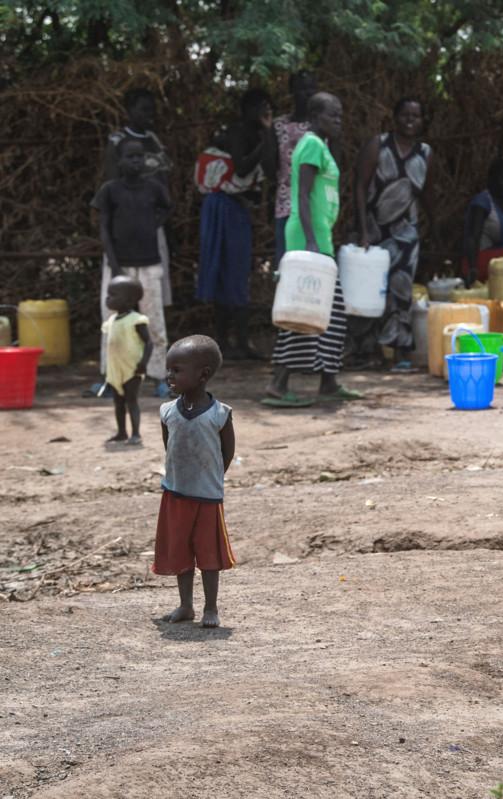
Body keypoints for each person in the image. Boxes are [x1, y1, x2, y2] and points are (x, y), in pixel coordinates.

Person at [264, 92, 363, 407]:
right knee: (303, 309)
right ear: (315, 117)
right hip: (309, 238)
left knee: (329, 313)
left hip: (319, 236)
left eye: (340, 116)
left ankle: (329, 381)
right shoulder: (310, 144)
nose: (338, 121)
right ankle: (278, 384)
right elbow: (302, 195)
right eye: (332, 115)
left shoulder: (322, 146)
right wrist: (310, 241)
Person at [156, 336, 236, 629]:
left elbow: (227, 453)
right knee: (180, 551)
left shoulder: (220, 414)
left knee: (209, 554)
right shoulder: (167, 412)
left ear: (202, 374)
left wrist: (211, 479)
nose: (169, 376)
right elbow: (170, 448)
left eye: (177, 370)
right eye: (169, 369)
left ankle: (211, 608)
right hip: (176, 493)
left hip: (207, 496)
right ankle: (185, 605)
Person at [97, 88, 173, 398]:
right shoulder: (110, 189)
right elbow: (103, 226)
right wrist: (114, 264)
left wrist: (152, 224)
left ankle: (158, 376)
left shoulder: (153, 184)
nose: (136, 161)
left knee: (153, 320)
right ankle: (111, 376)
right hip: (119, 263)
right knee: (112, 321)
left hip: (149, 261)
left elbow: (167, 206)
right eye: (131, 157)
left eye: (140, 157)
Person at [350, 97, 435, 371]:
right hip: (375, 230)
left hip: (406, 233)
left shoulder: (425, 153)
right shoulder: (379, 145)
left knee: (401, 291)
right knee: (370, 290)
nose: (410, 120)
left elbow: (426, 193)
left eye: (416, 115)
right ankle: (369, 350)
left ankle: (399, 351)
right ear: (395, 117)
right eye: (405, 115)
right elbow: (360, 187)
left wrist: (428, 224)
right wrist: (363, 230)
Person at [196, 88, 273, 360]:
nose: (265, 112)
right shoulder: (241, 133)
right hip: (226, 210)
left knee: (234, 273)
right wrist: (266, 138)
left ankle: (234, 341)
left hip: (233, 210)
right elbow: (241, 168)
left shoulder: (249, 133)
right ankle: (233, 342)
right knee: (230, 272)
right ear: (247, 110)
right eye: (259, 106)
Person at [264, 71, 317, 268]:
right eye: (302, 89)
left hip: (316, 205)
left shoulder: (321, 125)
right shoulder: (279, 125)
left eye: (312, 88)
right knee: (287, 262)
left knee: (313, 264)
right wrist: (267, 132)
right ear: (291, 91)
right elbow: (270, 169)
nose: (308, 93)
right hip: (286, 203)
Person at [101, 276, 152, 445]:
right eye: (108, 294)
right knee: (118, 402)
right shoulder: (111, 321)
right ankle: (121, 432)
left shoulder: (136, 320)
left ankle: (136, 434)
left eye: (113, 294)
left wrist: (143, 363)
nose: (108, 298)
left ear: (129, 300)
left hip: (132, 368)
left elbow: (149, 343)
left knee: (131, 400)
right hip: (116, 369)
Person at [462, 158, 503, 283]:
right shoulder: (482, 203)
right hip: (481, 259)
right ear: (492, 179)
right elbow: (472, 237)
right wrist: (472, 268)